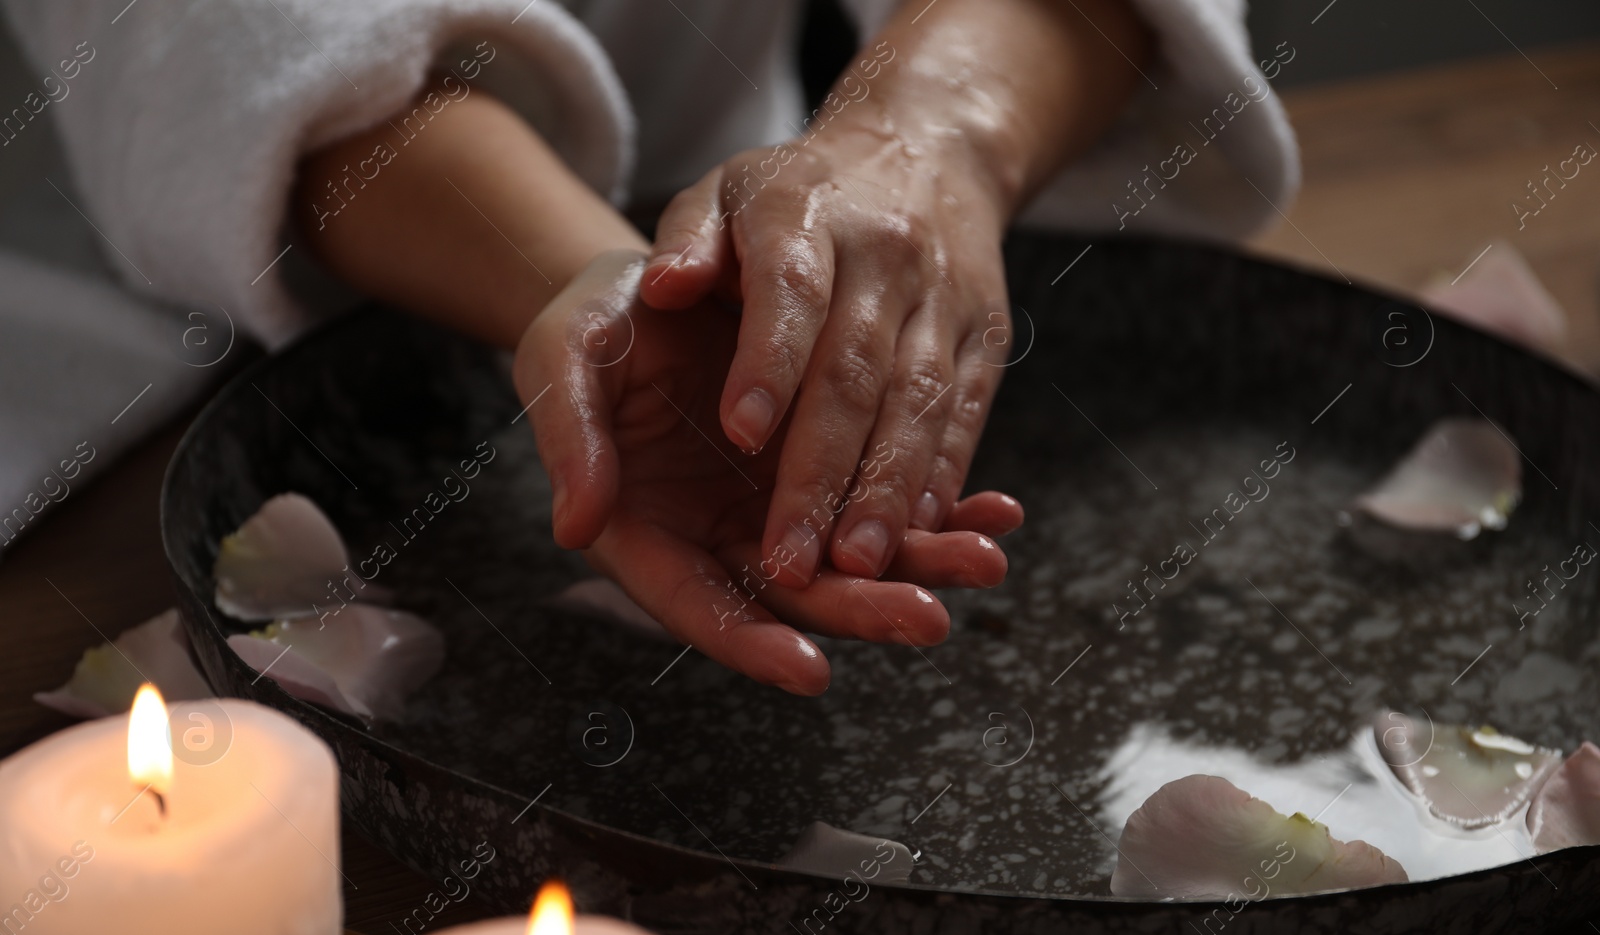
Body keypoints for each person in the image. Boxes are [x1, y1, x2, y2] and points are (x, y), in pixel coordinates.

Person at [0, 0, 1297, 693]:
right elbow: (246, 46)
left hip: (776, 235)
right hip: (155, 396)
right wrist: (605, 285)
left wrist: (930, 139)